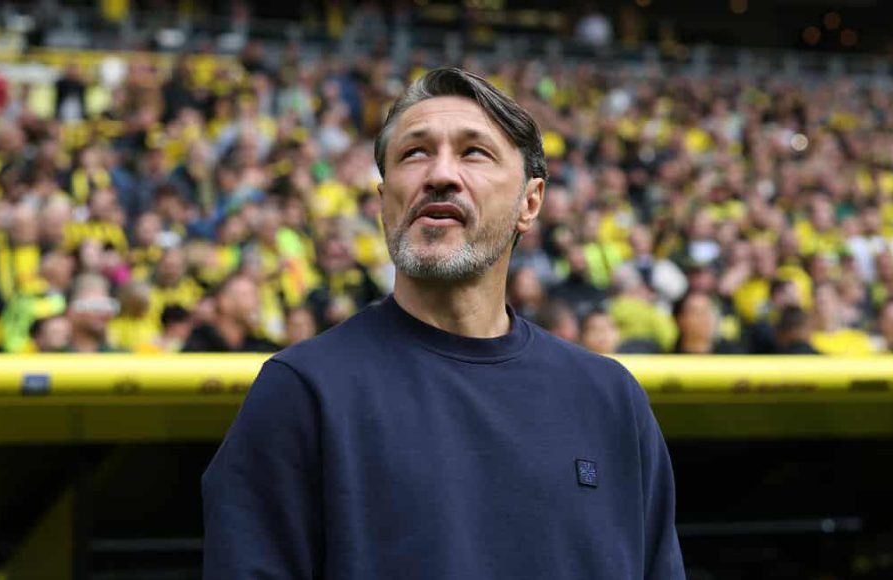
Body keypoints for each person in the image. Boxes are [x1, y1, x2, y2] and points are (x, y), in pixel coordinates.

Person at [203, 68, 684, 579]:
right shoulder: (302, 393)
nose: (440, 174)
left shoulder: (612, 400)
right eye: (415, 153)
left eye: (474, 152)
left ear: (530, 202)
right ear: (383, 201)